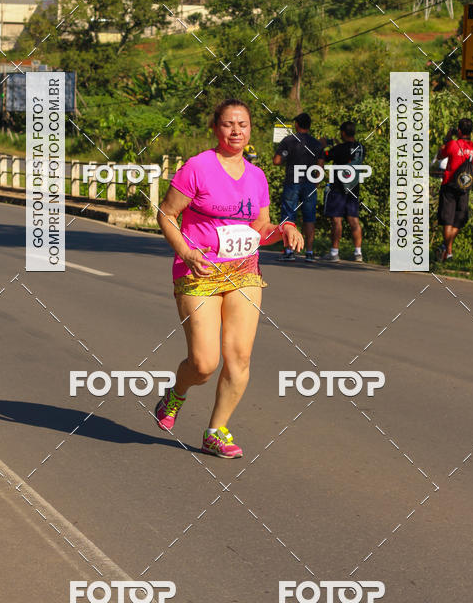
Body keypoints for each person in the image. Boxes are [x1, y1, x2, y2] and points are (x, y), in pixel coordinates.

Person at [155, 98, 304, 458]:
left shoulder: (257, 176)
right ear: (215, 127)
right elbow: (166, 213)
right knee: (204, 364)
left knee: (239, 358)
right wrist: (186, 252)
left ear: (251, 130)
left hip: (243, 271)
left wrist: (284, 228)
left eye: (243, 124)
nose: (236, 130)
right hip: (200, 270)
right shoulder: (197, 168)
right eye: (228, 124)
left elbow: (260, 229)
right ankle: (175, 394)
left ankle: (215, 432)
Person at [273, 112, 324, 263]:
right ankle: (309, 252)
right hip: (310, 183)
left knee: (288, 217)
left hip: (292, 182)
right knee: (309, 218)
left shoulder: (289, 140)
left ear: (296, 124)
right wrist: (315, 182)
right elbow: (320, 166)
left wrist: (287, 157)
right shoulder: (316, 144)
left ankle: (289, 251)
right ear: (309, 125)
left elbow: (277, 161)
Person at [436, 118, 473, 261]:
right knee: (460, 219)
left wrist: (447, 139)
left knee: (448, 220)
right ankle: (447, 250)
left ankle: (446, 249)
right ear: (471, 131)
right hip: (464, 186)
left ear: (459, 131)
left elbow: (439, 155)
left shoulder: (452, 144)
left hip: (449, 185)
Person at [323, 121, 365, 263]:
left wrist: (325, 146)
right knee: (354, 220)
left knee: (336, 220)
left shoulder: (339, 149)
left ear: (343, 133)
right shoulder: (361, 148)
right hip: (354, 188)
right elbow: (350, 154)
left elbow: (326, 156)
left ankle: (334, 252)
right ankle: (358, 253)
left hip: (338, 188)